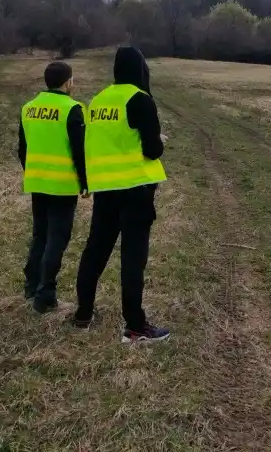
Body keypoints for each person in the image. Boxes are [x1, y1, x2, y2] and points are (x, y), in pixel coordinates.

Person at [72, 46, 169, 343]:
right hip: (136, 189)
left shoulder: (98, 100)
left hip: (106, 190)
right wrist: (160, 140)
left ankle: (83, 314)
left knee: (95, 251)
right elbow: (152, 150)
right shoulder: (140, 100)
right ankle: (135, 326)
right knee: (132, 258)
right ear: (141, 69)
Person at [17, 61, 87, 313]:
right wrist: (85, 182)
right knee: (57, 238)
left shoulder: (29, 108)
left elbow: (22, 149)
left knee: (41, 235)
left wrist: (33, 172)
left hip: (37, 181)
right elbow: (81, 152)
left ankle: (31, 284)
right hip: (62, 185)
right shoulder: (73, 109)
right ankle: (45, 295)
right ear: (68, 82)